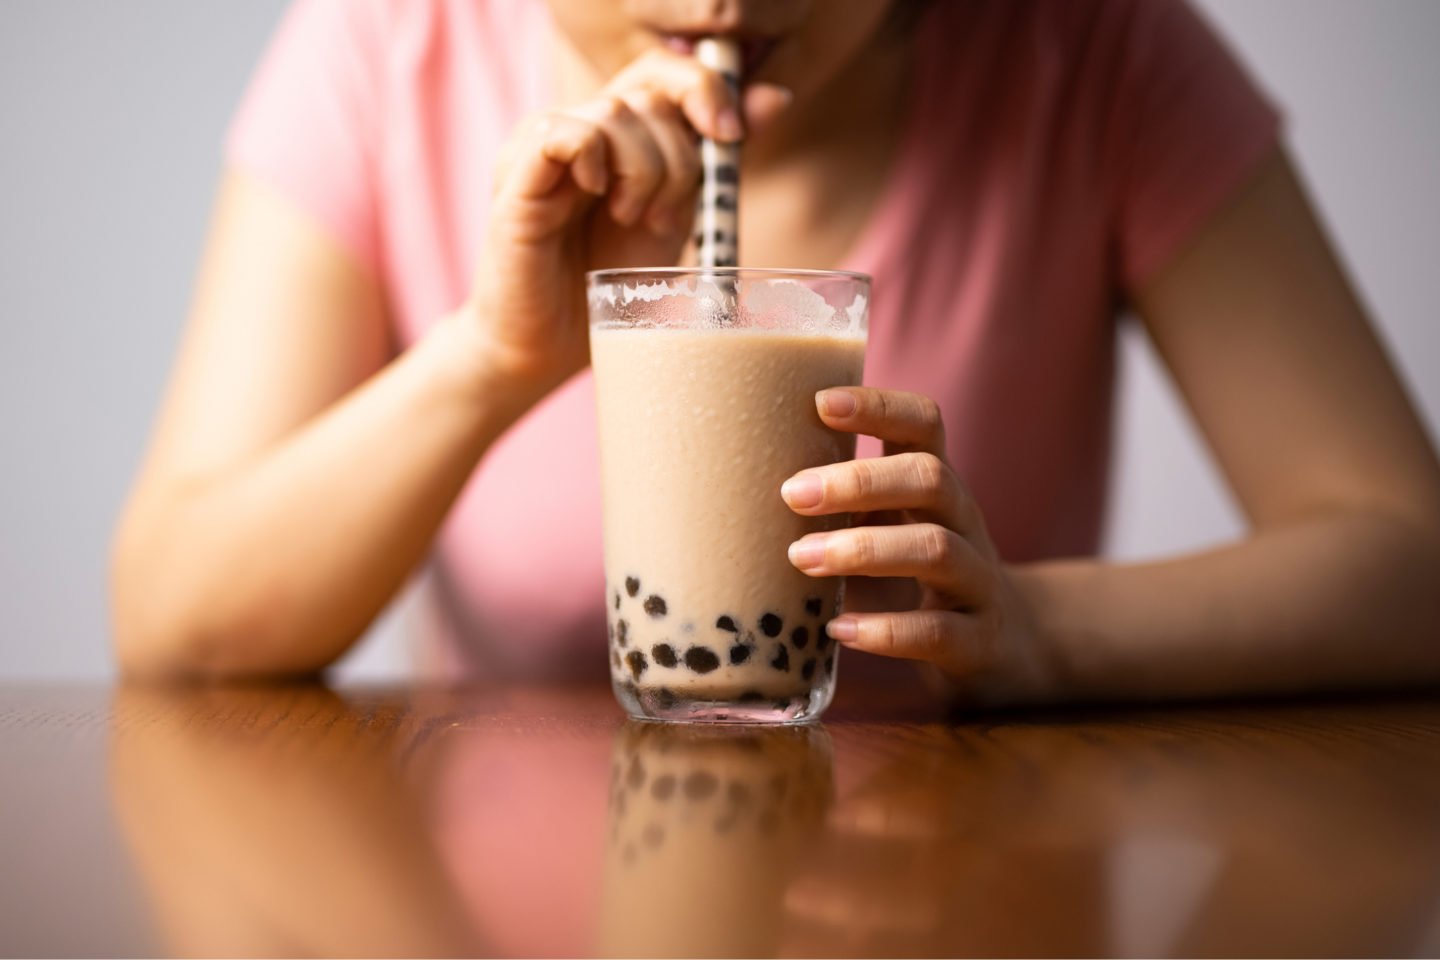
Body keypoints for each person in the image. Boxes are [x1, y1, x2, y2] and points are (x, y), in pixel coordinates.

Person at [111, 0, 1440, 703]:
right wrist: (493, 357)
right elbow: (173, 621)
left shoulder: (1090, 46)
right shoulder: (388, 44)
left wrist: (1043, 633)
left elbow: (1411, 563)